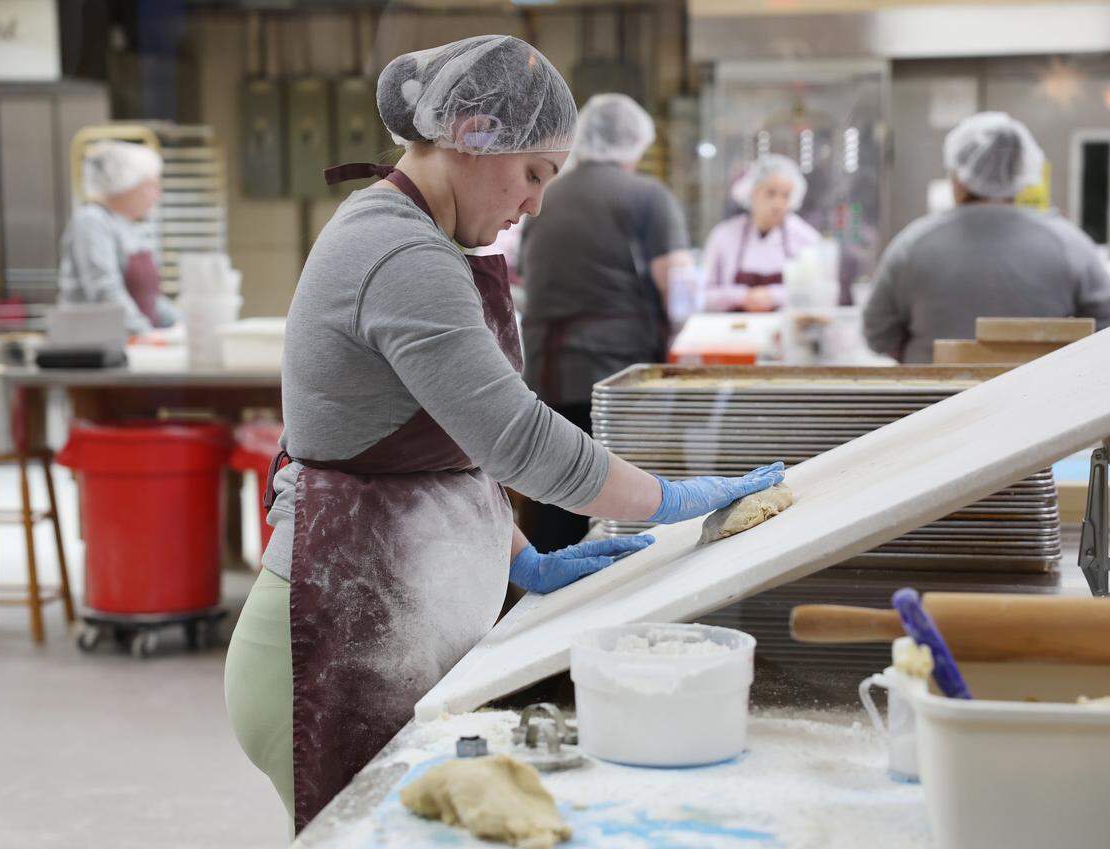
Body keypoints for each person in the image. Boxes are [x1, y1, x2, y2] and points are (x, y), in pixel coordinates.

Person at [222, 37, 784, 835]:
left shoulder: (421, 240)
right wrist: (670, 500)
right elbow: (515, 438)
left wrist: (519, 554)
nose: (536, 206)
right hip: (324, 643)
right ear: (473, 135)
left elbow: (429, 451)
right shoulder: (400, 253)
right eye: (534, 175)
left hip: (374, 619)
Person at [518, 93, 692, 552]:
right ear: (635, 143)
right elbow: (677, 286)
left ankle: (544, 612)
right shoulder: (647, 196)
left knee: (556, 498)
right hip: (616, 377)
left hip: (545, 372)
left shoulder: (544, 193)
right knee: (619, 503)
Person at [862, 112, 1110, 363]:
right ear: (1023, 172)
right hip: (1040, 403)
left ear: (958, 176)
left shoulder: (912, 246)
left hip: (934, 405)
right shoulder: (1067, 244)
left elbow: (876, 333)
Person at [57, 140, 179, 336]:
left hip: (130, 344)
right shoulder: (91, 221)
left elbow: (150, 299)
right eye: (151, 186)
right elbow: (105, 292)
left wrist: (183, 326)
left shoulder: (131, 228)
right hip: (93, 349)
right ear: (125, 186)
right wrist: (145, 335)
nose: (158, 194)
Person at [701, 153, 821, 312]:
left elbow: (817, 294)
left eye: (785, 196)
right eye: (770, 193)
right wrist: (742, 297)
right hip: (732, 331)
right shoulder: (723, 236)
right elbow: (703, 295)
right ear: (752, 192)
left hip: (784, 331)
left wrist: (773, 296)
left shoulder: (805, 238)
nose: (778, 204)